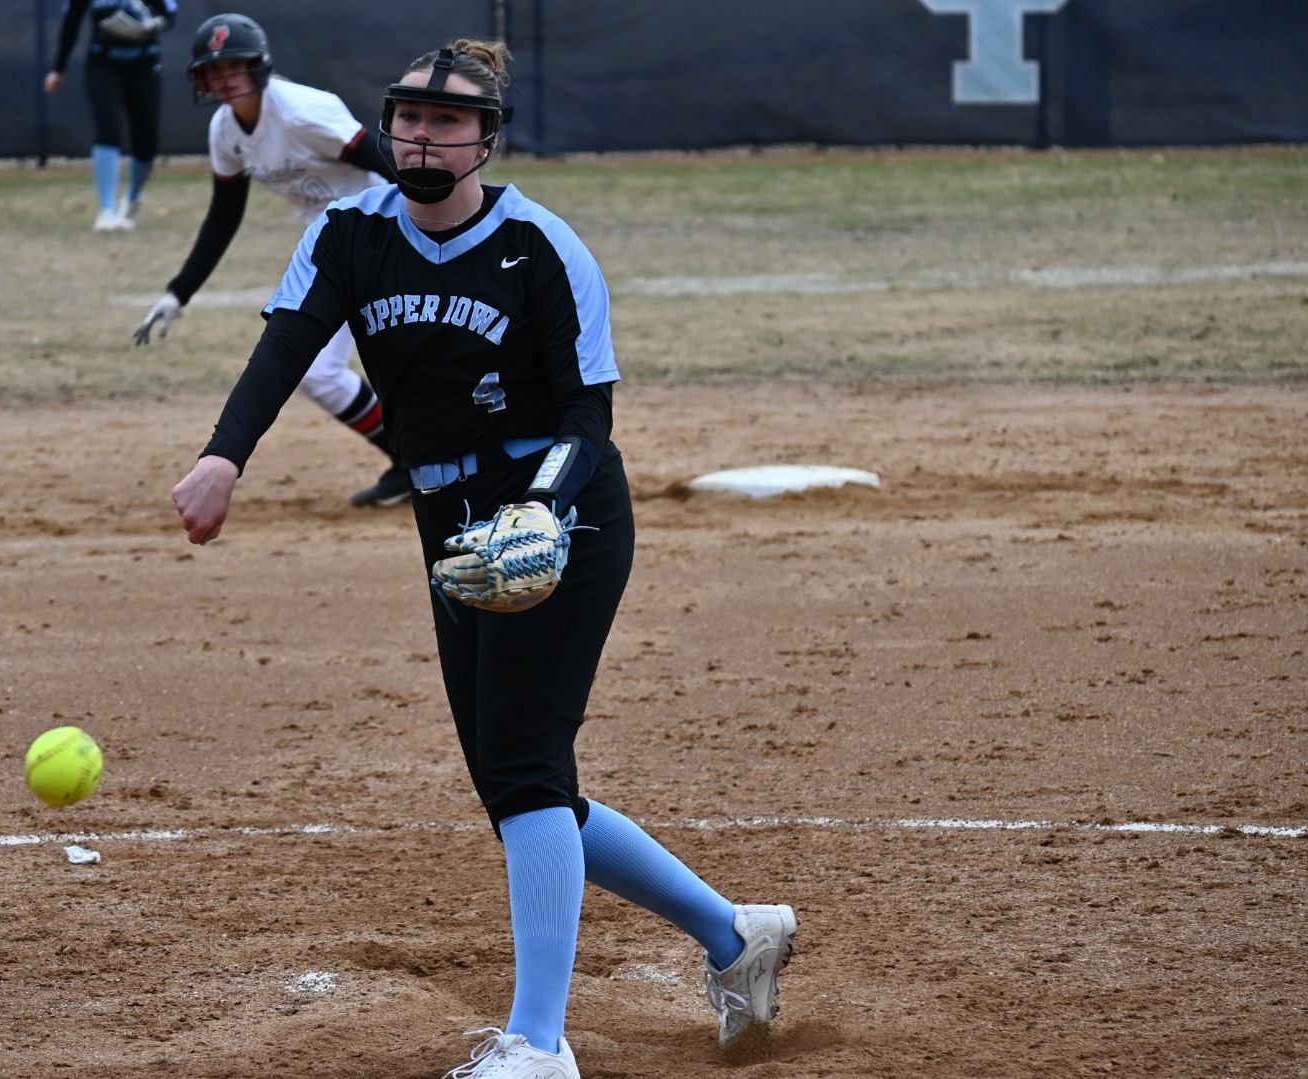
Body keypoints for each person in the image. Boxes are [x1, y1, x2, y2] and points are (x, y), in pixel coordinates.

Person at [169, 38, 799, 1079]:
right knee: (520, 782)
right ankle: (737, 937)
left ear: (485, 140)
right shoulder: (347, 234)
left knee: (521, 769)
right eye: (408, 119)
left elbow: (589, 417)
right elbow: (284, 347)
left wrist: (540, 511)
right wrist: (222, 457)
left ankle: (539, 1043)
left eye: (447, 122)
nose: (423, 137)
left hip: (562, 511)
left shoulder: (541, 247)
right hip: (448, 514)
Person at [133, 13, 410, 509]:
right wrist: (179, 291)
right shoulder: (225, 130)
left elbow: (382, 157)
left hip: (380, 233)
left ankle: (448, 459)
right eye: (213, 72)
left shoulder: (302, 111)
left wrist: (425, 225)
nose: (224, 79)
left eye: (234, 66)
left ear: (259, 66)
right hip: (329, 246)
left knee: (406, 356)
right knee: (321, 372)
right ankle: (412, 463)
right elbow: (223, 217)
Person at [44, 0, 178, 233]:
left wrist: (153, 25)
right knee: (108, 130)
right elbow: (72, 21)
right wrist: (59, 69)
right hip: (104, 64)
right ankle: (107, 210)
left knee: (146, 141)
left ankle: (132, 198)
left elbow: (170, 14)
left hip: (145, 64)